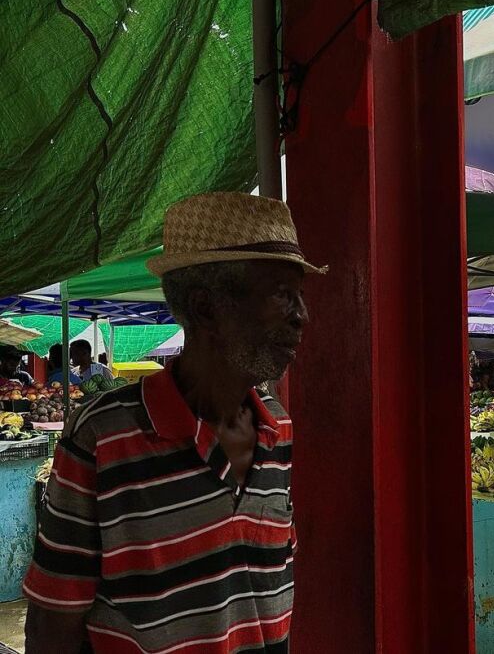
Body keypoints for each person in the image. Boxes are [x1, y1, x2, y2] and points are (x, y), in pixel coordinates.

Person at [24, 192, 324, 653]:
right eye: (283, 294)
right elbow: (53, 623)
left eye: (299, 295)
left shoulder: (277, 428)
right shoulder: (103, 436)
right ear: (206, 308)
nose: (303, 317)